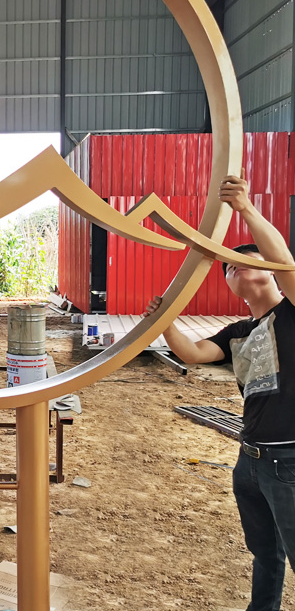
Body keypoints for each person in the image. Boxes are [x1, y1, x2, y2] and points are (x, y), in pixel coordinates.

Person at [144, 175, 295, 611]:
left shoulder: (292, 311)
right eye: (228, 267)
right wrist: (164, 321)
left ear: (271, 271)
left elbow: (286, 263)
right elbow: (192, 354)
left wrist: (245, 209)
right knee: (265, 554)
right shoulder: (238, 331)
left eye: (244, 260)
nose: (235, 267)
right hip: (250, 459)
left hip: (289, 459)